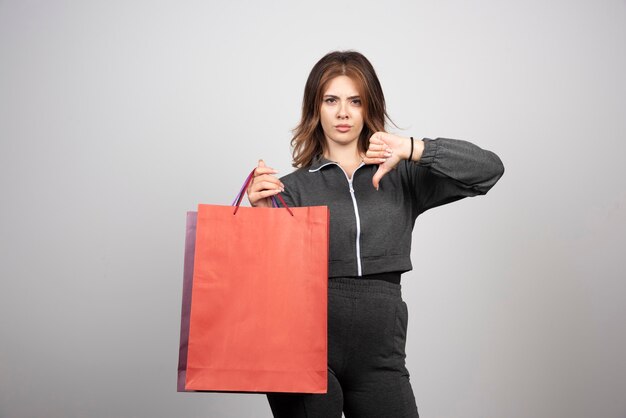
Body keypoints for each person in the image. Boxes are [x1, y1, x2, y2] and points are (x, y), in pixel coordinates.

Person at [247, 50, 504, 418]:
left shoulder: (402, 177)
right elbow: (266, 280)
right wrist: (261, 216)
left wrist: (415, 149)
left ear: (369, 108)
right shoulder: (290, 191)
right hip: (302, 349)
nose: (343, 113)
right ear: (315, 108)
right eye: (331, 100)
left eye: (355, 101)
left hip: (380, 356)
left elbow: (488, 170)